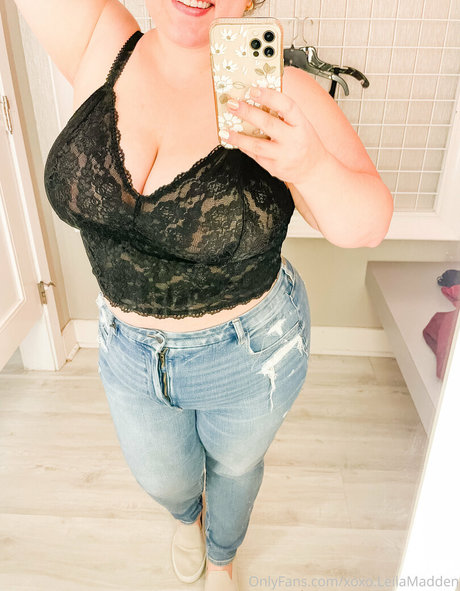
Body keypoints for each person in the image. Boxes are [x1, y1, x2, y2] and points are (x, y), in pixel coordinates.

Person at [15, 0, 393, 589]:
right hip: (126, 350)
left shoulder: (281, 92)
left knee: (236, 469)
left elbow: (366, 226)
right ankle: (186, 517)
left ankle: (222, 556)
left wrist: (310, 163)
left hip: (249, 353)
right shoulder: (99, 41)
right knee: (163, 479)